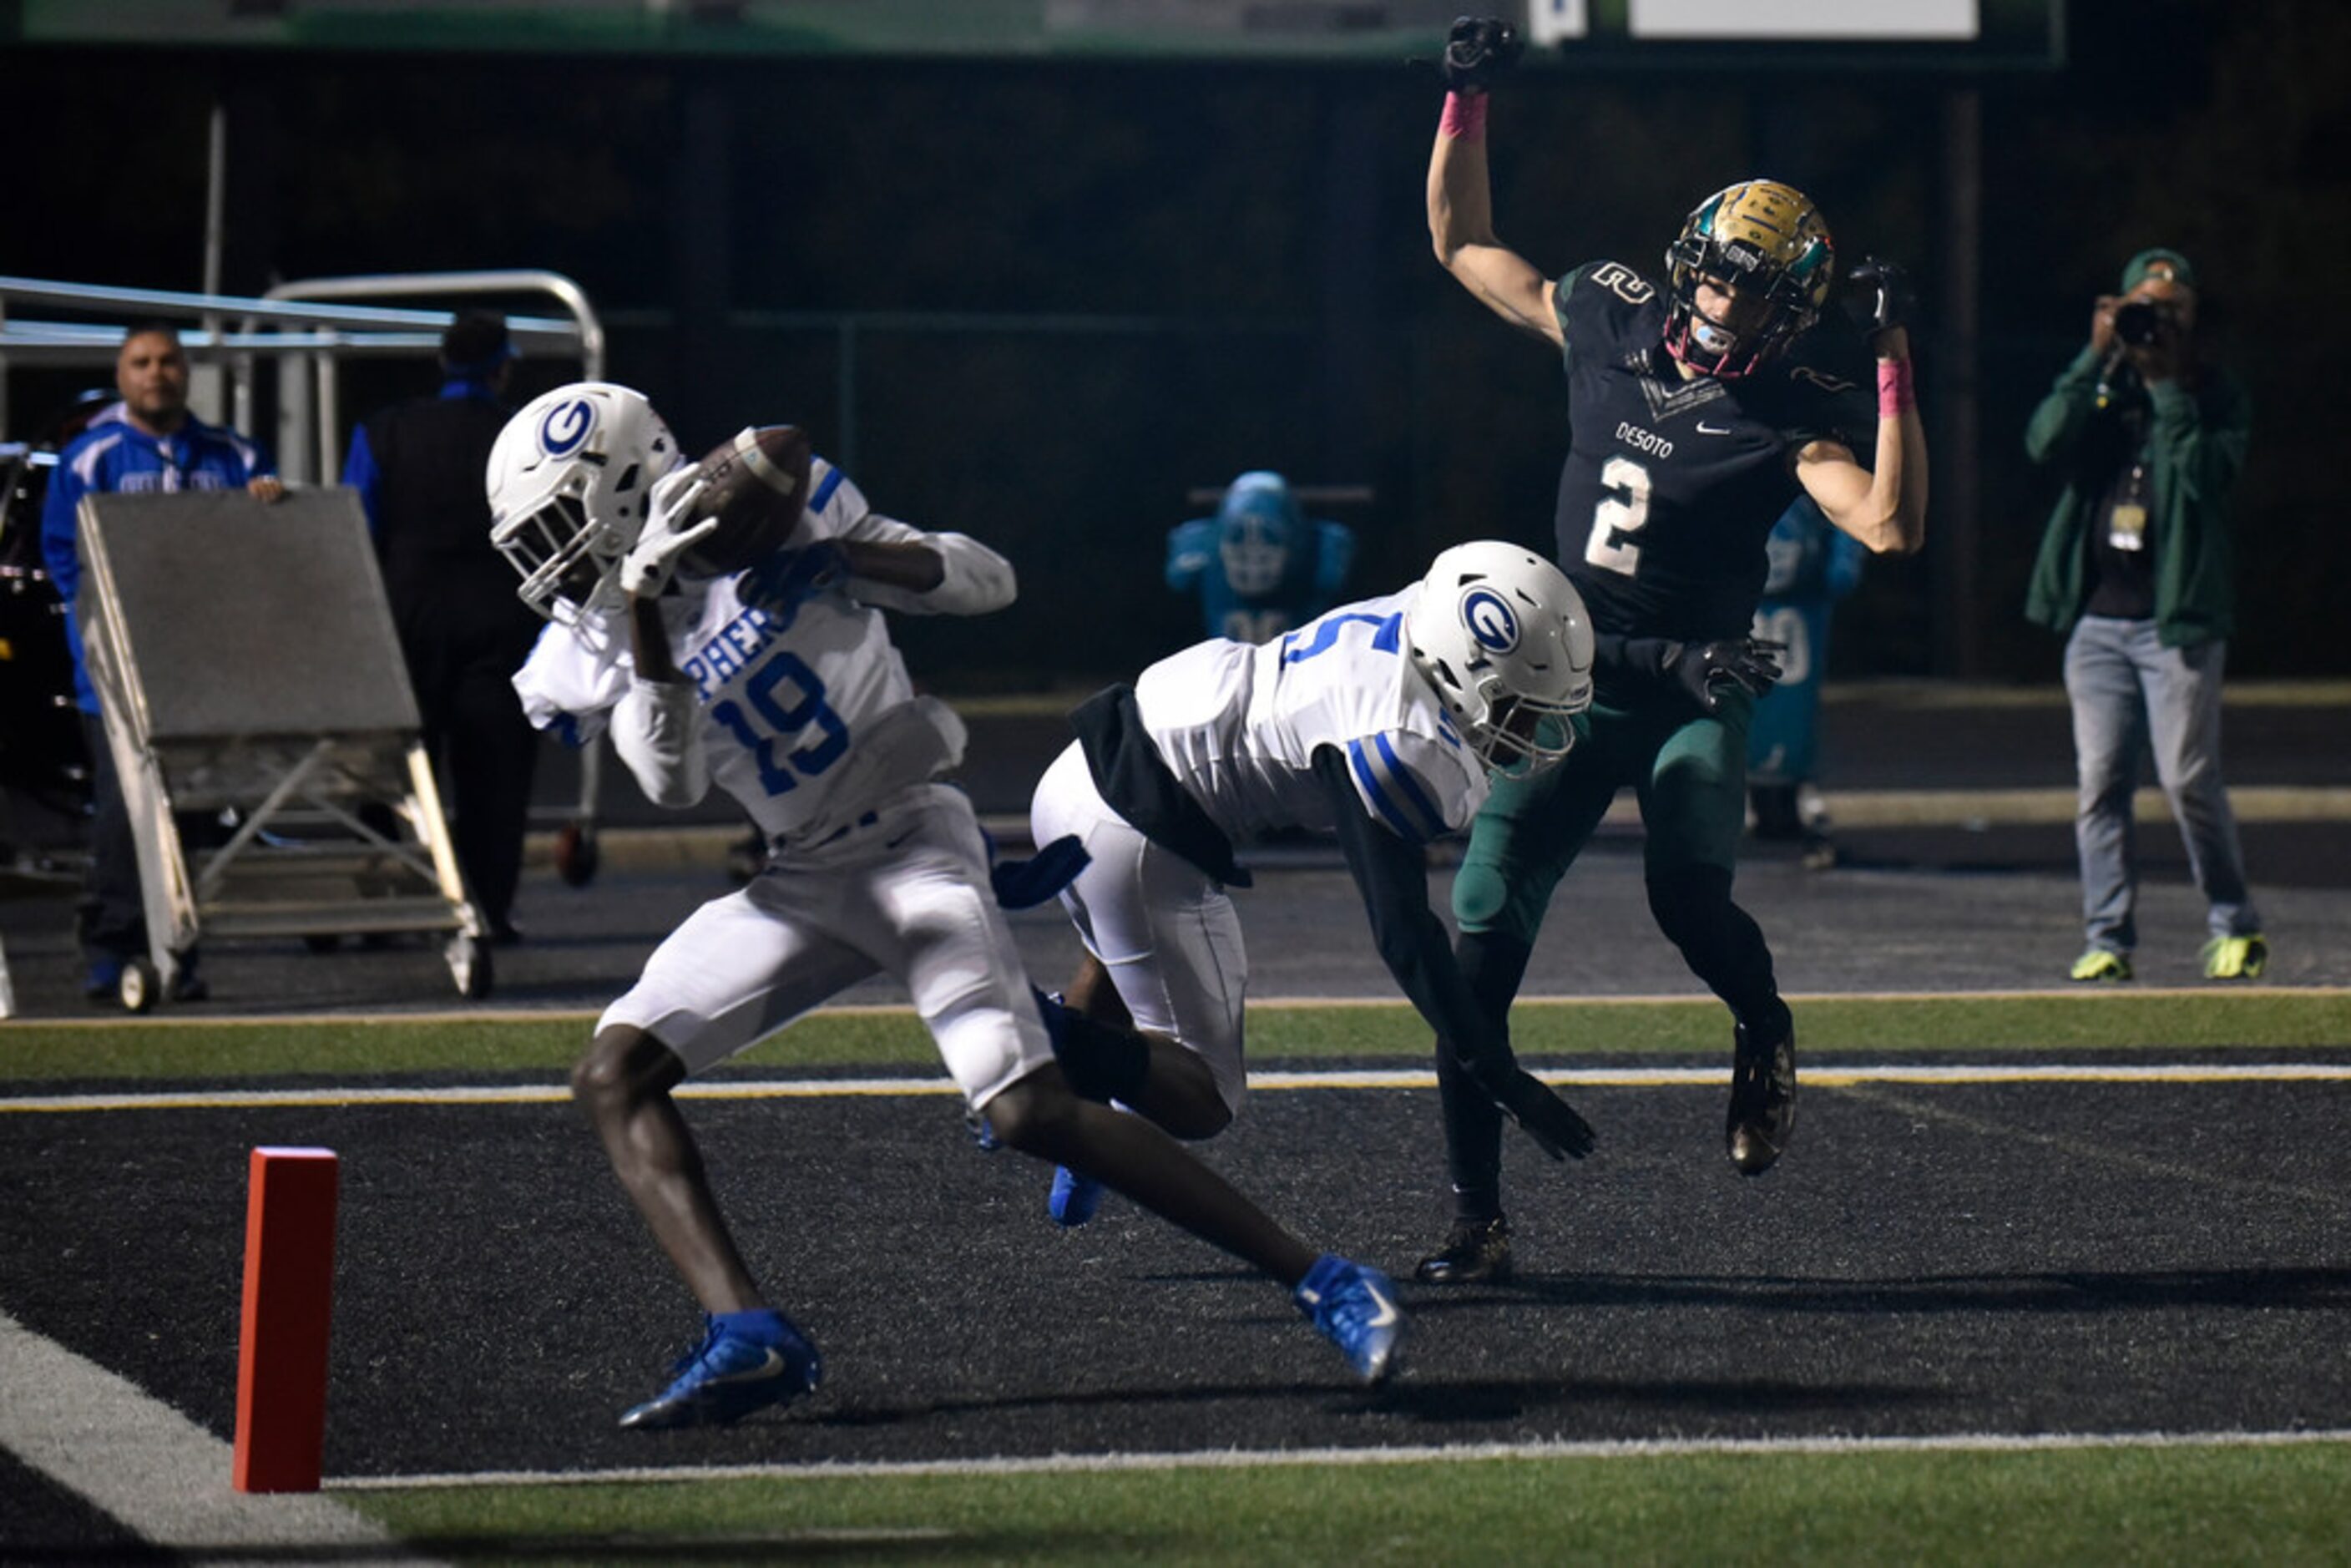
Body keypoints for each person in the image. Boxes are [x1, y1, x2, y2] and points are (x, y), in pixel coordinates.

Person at [488, 382, 1407, 1426]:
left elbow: (985, 581)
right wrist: (650, 611)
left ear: (622, 487)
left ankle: (1327, 1278)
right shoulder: (592, 639)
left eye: (560, 523)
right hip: (799, 876)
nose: (550, 561)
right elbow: (669, 783)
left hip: (911, 839)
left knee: (1024, 1113)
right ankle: (748, 1333)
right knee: (615, 1073)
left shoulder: (789, 507)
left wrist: (845, 561)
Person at [1414, 18, 1928, 1282]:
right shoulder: (1605, 312)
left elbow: (1894, 524)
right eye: (1714, 275)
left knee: (1687, 899)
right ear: (1684, 261)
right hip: (1565, 680)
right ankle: (1475, 1219)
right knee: (1478, 933)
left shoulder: (1789, 415)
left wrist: (1892, 363)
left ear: (1793, 308)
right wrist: (1464, 100)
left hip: (1696, 685)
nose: (1722, 303)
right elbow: (1465, 244)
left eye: (1753, 290)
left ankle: (1762, 1024)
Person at [1028, 539, 1604, 1227]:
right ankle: (1043, 1040)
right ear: (1465, 673)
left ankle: (1070, 1089)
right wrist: (1497, 1073)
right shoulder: (1398, 735)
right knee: (1206, 1095)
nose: (1530, 729)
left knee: (1127, 950)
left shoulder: (1418, 617)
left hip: (1084, 769)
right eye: (1518, 708)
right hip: (1133, 828)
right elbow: (1403, 933)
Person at [2024, 248, 2265, 984]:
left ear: (2191, 318)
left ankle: (2234, 923)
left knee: (2189, 778)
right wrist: (2093, 357)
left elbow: (2204, 478)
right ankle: (2108, 939)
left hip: (2177, 625)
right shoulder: (2105, 390)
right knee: (2100, 784)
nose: (2153, 323)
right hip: (2097, 622)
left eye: (2170, 310)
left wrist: (2166, 388)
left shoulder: (2215, 396)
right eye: (2141, 308)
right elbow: (2043, 442)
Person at [38, 323, 286, 1004]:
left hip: (203, 669)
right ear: (121, 375)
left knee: (187, 813)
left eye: (168, 361)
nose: (156, 373)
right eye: (141, 362)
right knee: (124, 811)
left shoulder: (233, 454)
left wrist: (272, 504)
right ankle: (110, 943)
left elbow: (265, 549)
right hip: (117, 672)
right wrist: (102, 632)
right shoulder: (91, 458)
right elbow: (65, 557)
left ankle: (177, 943)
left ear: (187, 372)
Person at [341, 310, 534, 943]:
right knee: (494, 784)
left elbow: (355, 530)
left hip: (405, 625)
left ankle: (386, 906)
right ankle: (485, 910)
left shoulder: (385, 430)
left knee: (389, 778)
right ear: (502, 368)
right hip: (500, 628)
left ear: (442, 362)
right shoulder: (521, 438)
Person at [1747, 492, 1865, 870]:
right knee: (1754, 701)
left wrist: (1840, 570)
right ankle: (1757, 795)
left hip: (1798, 599)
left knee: (1791, 705)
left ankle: (1791, 791)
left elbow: (1847, 506)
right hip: (1753, 600)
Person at [1165, 470, 1356, 645]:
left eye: (1269, 539)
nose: (1254, 553)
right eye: (1239, 539)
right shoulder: (1325, 541)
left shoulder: (1197, 540)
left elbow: (1178, 580)